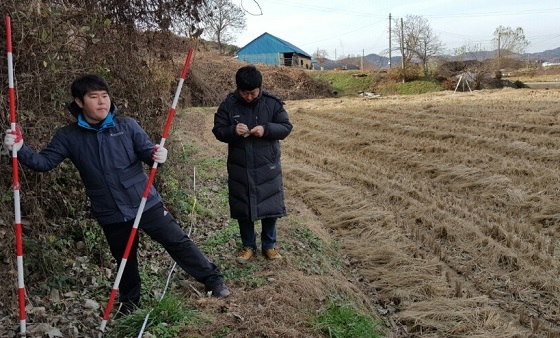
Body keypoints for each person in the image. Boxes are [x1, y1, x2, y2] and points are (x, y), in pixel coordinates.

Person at [3, 74, 230, 317]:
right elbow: (43, 162)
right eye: (94, 97)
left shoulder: (127, 126)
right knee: (124, 260)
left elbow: (148, 154)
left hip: (144, 201)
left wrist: (158, 155)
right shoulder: (68, 136)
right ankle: (130, 303)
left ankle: (213, 279)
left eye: (105, 96)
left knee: (177, 241)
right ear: (79, 102)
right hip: (109, 210)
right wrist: (20, 149)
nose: (102, 102)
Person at [212, 65, 293, 264]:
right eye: (245, 93)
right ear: (238, 88)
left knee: (270, 205)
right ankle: (248, 246)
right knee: (243, 206)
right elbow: (218, 130)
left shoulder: (272, 104)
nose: (249, 97)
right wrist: (232, 130)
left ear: (260, 88)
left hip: (267, 165)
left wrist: (266, 129)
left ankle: (270, 246)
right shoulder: (228, 105)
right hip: (240, 165)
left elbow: (285, 127)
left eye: (253, 93)